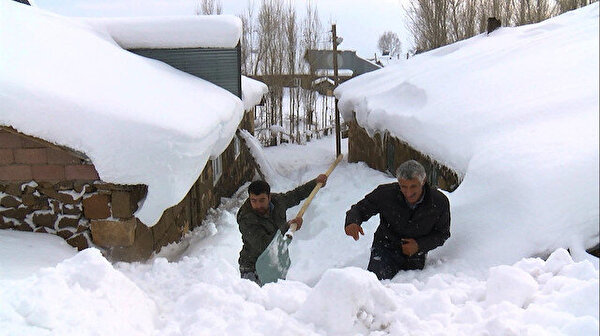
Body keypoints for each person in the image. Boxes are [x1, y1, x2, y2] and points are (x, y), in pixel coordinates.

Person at [344, 160, 450, 280]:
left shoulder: (439, 202)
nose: (408, 193)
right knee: (376, 283)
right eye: (403, 187)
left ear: (423, 181)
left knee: (410, 289)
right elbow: (359, 209)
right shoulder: (385, 194)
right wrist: (352, 222)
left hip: (415, 255)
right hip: (385, 247)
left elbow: (443, 234)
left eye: (413, 186)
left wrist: (419, 245)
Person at [237, 175, 327, 284]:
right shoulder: (246, 218)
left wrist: (315, 183)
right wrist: (288, 226)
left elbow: (296, 195)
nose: (258, 205)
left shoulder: (277, 201)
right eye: (254, 201)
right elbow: (265, 245)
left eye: (262, 200)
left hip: (274, 264)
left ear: (269, 198)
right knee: (257, 300)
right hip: (253, 268)